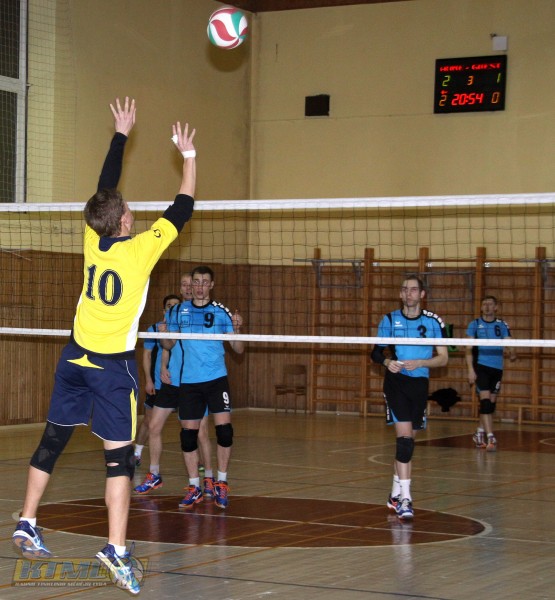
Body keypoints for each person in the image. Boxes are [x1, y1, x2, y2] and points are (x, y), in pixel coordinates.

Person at [12, 97, 196, 595]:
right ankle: (115, 550)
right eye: (129, 209)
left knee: (53, 439)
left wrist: (120, 135)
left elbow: (104, 187)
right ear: (124, 222)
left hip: (74, 357)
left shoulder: (91, 238)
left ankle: (27, 521)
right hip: (113, 367)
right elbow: (182, 207)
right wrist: (188, 156)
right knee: (120, 462)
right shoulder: (140, 251)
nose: (132, 210)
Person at [161, 265, 244, 510]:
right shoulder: (178, 311)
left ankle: (222, 483)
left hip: (217, 379)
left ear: (211, 285)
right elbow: (168, 345)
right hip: (190, 381)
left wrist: (237, 330)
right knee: (188, 437)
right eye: (196, 282)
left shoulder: (221, 312)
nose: (199, 286)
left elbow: (238, 349)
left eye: (204, 282)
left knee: (225, 432)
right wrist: (164, 334)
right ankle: (194, 487)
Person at [371, 275, 448, 520]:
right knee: (404, 441)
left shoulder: (434, 321)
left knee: (408, 444)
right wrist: (387, 362)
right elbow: (375, 352)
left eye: (413, 290)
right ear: (400, 294)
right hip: (396, 383)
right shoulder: (389, 319)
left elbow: (444, 358)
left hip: (419, 384)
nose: (408, 293)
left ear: (422, 294)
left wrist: (422, 362)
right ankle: (406, 499)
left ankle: (394, 494)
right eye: (405, 289)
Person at [134, 274, 200, 494]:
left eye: (191, 284)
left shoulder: (200, 316)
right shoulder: (171, 318)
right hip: (171, 382)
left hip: (191, 382)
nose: (188, 288)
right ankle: (154, 474)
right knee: (153, 426)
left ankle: (200, 481)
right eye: (184, 284)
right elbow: (166, 347)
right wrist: (162, 368)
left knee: (193, 433)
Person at [134, 293, 181, 467]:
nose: (173, 308)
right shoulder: (154, 329)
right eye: (169, 305)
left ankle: (197, 459)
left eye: (176, 306)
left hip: (180, 384)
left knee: (190, 423)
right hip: (158, 384)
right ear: (164, 310)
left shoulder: (184, 329)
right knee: (149, 422)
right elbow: (146, 355)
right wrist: (148, 380)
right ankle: (137, 453)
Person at [466, 295, 516, 452]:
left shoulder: (501, 324)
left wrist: (512, 351)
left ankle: (479, 432)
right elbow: (467, 348)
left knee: (490, 406)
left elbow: (509, 341)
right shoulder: (475, 324)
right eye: (484, 304)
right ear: (481, 307)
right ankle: (491, 436)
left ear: (496, 307)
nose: (487, 306)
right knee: (486, 403)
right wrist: (470, 370)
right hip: (481, 366)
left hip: (497, 368)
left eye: (490, 304)